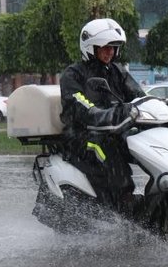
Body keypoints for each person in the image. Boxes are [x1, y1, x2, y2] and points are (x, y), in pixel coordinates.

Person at [59, 18, 146, 213]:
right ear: (90, 47)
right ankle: (123, 201)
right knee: (108, 147)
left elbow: (138, 96)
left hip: (115, 129)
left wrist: (156, 106)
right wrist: (101, 115)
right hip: (81, 135)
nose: (110, 52)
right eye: (105, 47)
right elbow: (80, 106)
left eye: (114, 47)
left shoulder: (117, 71)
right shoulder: (73, 74)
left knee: (147, 142)